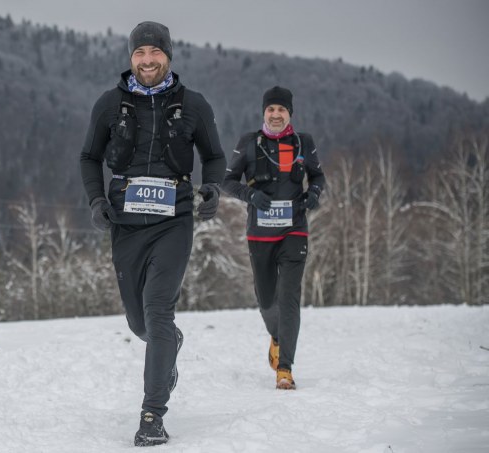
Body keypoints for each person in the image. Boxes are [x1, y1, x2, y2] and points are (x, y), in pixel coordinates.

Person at [79, 21, 226, 446]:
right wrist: (95, 201)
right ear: (131, 58)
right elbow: (89, 158)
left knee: (158, 311)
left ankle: (152, 415)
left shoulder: (193, 104)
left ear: (169, 56)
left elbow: (213, 156)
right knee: (139, 320)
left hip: (173, 221)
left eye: (155, 53)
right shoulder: (110, 105)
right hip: (125, 223)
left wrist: (212, 188)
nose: (147, 61)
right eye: (140, 54)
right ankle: (167, 346)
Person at [221, 86, 326, 390]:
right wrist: (251, 194)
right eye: (271, 110)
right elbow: (228, 182)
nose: (276, 114)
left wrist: (313, 195)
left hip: (294, 229)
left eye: (282, 110)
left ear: (290, 113)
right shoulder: (249, 143)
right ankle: (277, 336)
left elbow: (317, 176)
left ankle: (285, 369)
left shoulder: (302, 142)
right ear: (263, 112)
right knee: (267, 300)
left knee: (290, 298)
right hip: (260, 235)